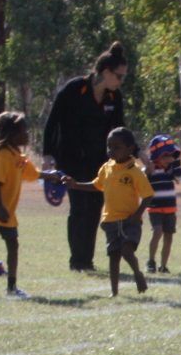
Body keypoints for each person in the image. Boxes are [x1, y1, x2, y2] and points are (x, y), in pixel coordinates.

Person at [43, 42, 130, 272]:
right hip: (70, 160)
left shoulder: (114, 97)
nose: (121, 82)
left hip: (100, 163)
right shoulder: (74, 89)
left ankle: (87, 261)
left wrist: (133, 156)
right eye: (119, 76)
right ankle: (77, 261)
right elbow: (52, 122)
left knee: (94, 209)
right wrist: (48, 155)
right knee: (78, 208)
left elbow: (120, 131)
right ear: (106, 72)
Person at [60, 126, 153, 296]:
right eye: (109, 146)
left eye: (116, 147)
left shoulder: (134, 171)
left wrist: (137, 215)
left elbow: (148, 195)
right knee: (113, 256)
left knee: (126, 250)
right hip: (110, 220)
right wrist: (75, 184)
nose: (111, 151)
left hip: (129, 221)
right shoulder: (107, 167)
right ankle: (114, 292)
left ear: (130, 149)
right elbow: (96, 185)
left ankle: (137, 274)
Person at [0, 111, 52, 299]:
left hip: (6, 209)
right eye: (23, 130)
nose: (27, 134)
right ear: (11, 133)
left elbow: (32, 173)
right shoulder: (2, 155)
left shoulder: (18, 155)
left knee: (13, 244)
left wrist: (52, 175)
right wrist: (0, 208)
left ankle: (12, 287)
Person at [143, 134, 181, 274]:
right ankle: (151, 261)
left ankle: (163, 265)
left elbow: (179, 177)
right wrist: (148, 169)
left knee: (169, 236)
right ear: (157, 156)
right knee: (157, 232)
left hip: (170, 208)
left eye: (171, 156)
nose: (169, 159)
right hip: (155, 208)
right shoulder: (150, 170)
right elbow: (142, 179)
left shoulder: (171, 170)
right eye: (165, 156)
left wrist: (176, 162)